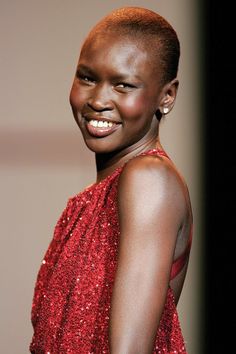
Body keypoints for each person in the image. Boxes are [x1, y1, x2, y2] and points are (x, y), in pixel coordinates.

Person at [30, 6, 193, 354]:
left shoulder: (148, 179)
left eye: (123, 85)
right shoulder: (103, 194)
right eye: (87, 78)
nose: (98, 99)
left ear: (167, 96)